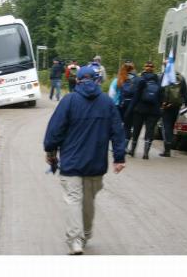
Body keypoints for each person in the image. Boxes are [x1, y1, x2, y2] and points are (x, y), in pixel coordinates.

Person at [44, 66, 125, 255]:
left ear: (77, 81)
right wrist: (119, 157)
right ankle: (86, 234)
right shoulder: (107, 102)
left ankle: (75, 241)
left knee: (73, 200)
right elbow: (118, 131)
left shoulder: (69, 101)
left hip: (71, 162)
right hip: (96, 164)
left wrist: (50, 152)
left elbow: (54, 130)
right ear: (98, 80)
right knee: (88, 201)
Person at [125, 61, 161, 159]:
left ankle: (132, 151)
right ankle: (146, 153)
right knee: (149, 131)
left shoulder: (140, 79)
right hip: (153, 110)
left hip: (139, 109)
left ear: (145, 68)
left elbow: (135, 96)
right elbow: (161, 96)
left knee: (136, 130)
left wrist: (129, 110)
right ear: (153, 68)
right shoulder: (158, 79)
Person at [159, 65, 187, 157]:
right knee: (171, 126)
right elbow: (185, 91)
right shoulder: (180, 77)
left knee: (166, 126)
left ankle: (167, 149)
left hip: (166, 105)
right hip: (176, 105)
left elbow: (160, 89)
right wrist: (186, 103)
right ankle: (168, 146)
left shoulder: (165, 76)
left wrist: (160, 103)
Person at [108, 60, 139, 149]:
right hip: (130, 106)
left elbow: (111, 94)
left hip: (118, 105)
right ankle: (124, 146)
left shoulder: (117, 80)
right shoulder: (136, 80)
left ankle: (115, 146)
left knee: (116, 126)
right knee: (128, 126)